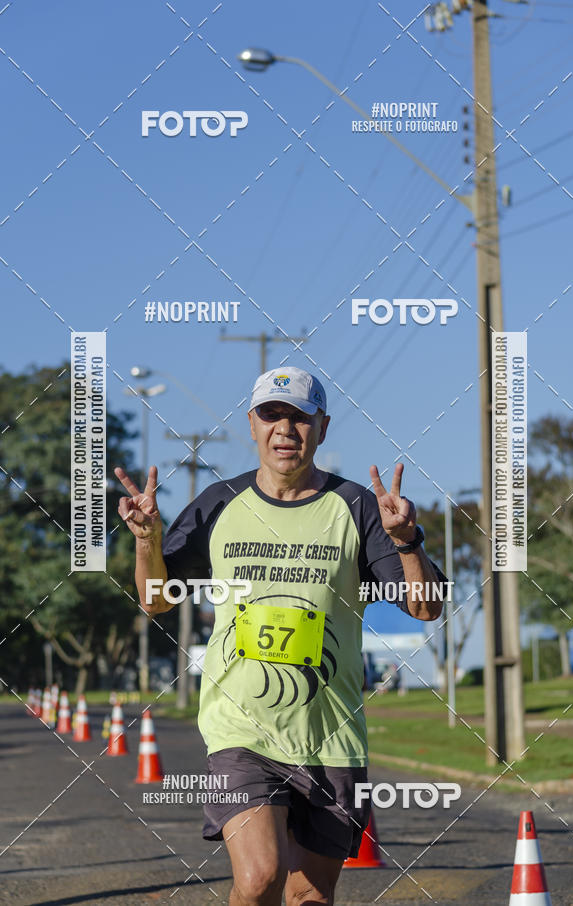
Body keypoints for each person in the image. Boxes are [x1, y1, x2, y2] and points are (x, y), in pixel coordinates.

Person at [115, 366, 446, 906]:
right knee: (259, 878)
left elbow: (425, 607)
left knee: (309, 897)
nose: (285, 428)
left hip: (330, 737)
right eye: (272, 414)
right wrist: (148, 540)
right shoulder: (216, 506)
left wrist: (408, 542)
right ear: (252, 424)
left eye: (300, 416)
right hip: (241, 735)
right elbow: (155, 599)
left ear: (323, 427)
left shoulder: (358, 508)